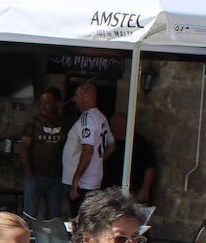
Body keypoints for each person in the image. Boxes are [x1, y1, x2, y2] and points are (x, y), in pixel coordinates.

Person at [61, 83, 113, 214]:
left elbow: (88, 150)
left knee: (78, 223)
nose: (74, 99)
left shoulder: (87, 118)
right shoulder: (101, 117)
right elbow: (111, 145)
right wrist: (97, 162)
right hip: (92, 180)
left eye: (77, 95)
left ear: (87, 96)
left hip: (82, 183)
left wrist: (75, 182)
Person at [21, 87, 67, 219]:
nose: (43, 106)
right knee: (29, 217)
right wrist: (30, 174)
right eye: (41, 102)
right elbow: (24, 147)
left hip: (57, 178)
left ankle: (49, 241)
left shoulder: (66, 123)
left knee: (53, 219)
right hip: (36, 176)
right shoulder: (33, 122)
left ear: (57, 103)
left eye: (47, 102)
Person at [103, 113, 157, 206]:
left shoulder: (140, 143)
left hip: (133, 193)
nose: (110, 127)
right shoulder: (107, 142)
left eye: (113, 124)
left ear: (124, 126)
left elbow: (150, 167)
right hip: (110, 193)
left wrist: (145, 189)